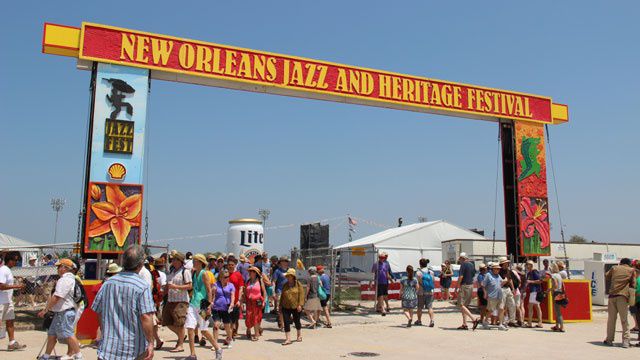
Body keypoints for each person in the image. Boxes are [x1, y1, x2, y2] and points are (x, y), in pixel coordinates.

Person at [91, 245, 155, 360]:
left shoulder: (107, 283)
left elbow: (98, 310)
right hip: (132, 349)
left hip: (108, 348)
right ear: (140, 264)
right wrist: (151, 342)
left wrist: (105, 331)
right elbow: (146, 316)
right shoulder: (142, 286)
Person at [37, 258, 82, 359]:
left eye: (59, 267)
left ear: (64, 268)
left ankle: (79, 356)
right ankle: (46, 356)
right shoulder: (71, 279)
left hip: (64, 313)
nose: (57, 269)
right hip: (61, 313)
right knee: (52, 334)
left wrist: (46, 310)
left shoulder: (64, 280)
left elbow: (57, 297)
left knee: (69, 335)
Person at [185, 254, 216, 359]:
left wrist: (209, 305)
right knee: (190, 327)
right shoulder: (194, 273)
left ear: (200, 262)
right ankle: (193, 354)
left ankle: (217, 348)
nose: (193, 262)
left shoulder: (205, 274)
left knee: (203, 330)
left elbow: (209, 290)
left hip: (203, 304)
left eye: (195, 260)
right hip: (193, 303)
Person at [163, 252, 192, 353]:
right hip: (171, 299)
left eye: (175, 259)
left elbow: (189, 286)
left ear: (180, 261)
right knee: (166, 321)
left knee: (179, 323)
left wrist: (176, 287)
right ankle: (181, 335)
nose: (173, 261)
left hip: (181, 301)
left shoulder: (185, 272)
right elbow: (168, 285)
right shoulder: (172, 271)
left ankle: (180, 345)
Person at [604, 257, 636, 348]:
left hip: (612, 296)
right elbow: (633, 284)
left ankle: (609, 340)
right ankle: (625, 341)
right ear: (629, 263)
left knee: (611, 319)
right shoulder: (631, 270)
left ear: (620, 263)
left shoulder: (614, 268)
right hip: (623, 297)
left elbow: (607, 276)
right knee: (624, 320)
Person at [0, 251, 26, 351]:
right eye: (15, 260)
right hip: (1, 301)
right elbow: (1, 286)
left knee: (10, 321)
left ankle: (12, 342)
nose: (16, 262)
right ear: (9, 260)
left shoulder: (9, 270)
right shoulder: (3, 270)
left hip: (7, 301)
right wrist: (17, 286)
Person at [212, 269, 234, 357]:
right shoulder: (215, 285)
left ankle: (229, 339)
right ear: (220, 277)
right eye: (225, 277)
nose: (227, 278)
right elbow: (212, 295)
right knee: (216, 325)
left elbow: (232, 295)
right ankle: (215, 343)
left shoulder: (231, 285)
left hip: (226, 308)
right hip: (216, 308)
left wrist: (232, 303)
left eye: (228, 276)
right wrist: (211, 302)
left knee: (227, 326)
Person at [280, 268, 304, 345]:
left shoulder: (298, 284)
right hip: (285, 306)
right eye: (287, 276)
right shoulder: (285, 285)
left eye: (289, 276)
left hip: (296, 306)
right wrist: (280, 305)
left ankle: (299, 335)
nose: (287, 277)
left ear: (293, 276)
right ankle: (288, 339)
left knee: (297, 321)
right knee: (286, 322)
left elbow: (301, 295)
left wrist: (300, 304)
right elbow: (282, 296)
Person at [481, 263, 508, 331]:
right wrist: (485, 293)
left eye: (499, 269)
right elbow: (483, 285)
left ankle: (501, 324)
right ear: (493, 269)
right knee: (490, 310)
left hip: (500, 295)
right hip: (492, 296)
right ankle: (486, 321)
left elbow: (501, 283)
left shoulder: (498, 276)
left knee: (501, 309)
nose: (498, 270)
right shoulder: (488, 275)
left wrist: (505, 281)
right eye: (497, 269)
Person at [244, 266, 266, 341]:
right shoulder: (248, 281)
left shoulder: (259, 281)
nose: (250, 273)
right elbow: (245, 291)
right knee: (248, 317)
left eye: (252, 271)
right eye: (250, 271)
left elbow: (264, 292)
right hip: (249, 302)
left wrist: (264, 302)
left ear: (256, 273)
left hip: (257, 302)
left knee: (256, 318)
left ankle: (256, 334)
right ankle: (249, 329)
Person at [454, 253, 475, 330]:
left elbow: (461, 276)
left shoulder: (463, 265)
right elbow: (473, 275)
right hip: (471, 285)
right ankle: (464, 323)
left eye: (460, 258)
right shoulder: (471, 265)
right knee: (465, 306)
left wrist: (457, 286)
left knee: (461, 304)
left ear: (462, 258)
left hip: (465, 285)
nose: (459, 260)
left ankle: (473, 319)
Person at [227, 257, 245, 339]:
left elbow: (241, 287)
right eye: (229, 265)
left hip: (236, 299)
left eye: (232, 265)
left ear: (235, 265)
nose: (230, 266)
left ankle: (234, 331)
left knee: (235, 317)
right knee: (229, 317)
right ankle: (230, 331)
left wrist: (239, 299)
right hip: (227, 299)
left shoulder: (238, 274)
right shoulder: (225, 274)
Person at [498, 257, 517, 327]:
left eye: (507, 263)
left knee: (512, 304)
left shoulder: (508, 271)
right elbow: (498, 283)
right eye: (505, 263)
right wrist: (504, 282)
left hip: (508, 288)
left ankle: (512, 320)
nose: (507, 264)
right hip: (502, 289)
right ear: (502, 264)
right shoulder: (499, 271)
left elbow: (510, 280)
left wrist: (513, 289)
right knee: (502, 306)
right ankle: (502, 321)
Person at [525, 260, 543, 328]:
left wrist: (530, 281)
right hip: (534, 291)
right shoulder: (529, 273)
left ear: (531, 265)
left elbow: (540, 281)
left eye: (527, 264)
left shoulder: (534, 271)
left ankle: (530, 323)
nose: (526, 266)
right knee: (537, 307)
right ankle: (539, 322)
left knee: (530, 307)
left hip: (535, 291)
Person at [549, 263, 566, 332]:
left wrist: (549, 289)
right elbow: (562, 285)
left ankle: (562, 326)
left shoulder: (553, 276)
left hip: (556, 293)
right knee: (557, 310)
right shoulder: (559, 275)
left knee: (558, 311)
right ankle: (557, 325)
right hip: (560, 292)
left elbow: (555, 285)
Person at [273, 256, 290, 328]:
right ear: (281, 262)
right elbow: (274, 282)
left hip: (289, 292)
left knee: (288, 308)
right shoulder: (277, 271)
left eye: (287, 261)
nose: (286, 262)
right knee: (281, 309)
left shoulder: (290, 270)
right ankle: (282, 324)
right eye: (285, 261)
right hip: (280, 292)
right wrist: (273, 292)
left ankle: (285, 322)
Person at [474, 263, 488, 328]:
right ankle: (482, 319)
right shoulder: (481, 276)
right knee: (483, 306)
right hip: (482, 291)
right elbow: (482, 284)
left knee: (484, 306)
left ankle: (483, 319)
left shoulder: (483, 275)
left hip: (483, 291)